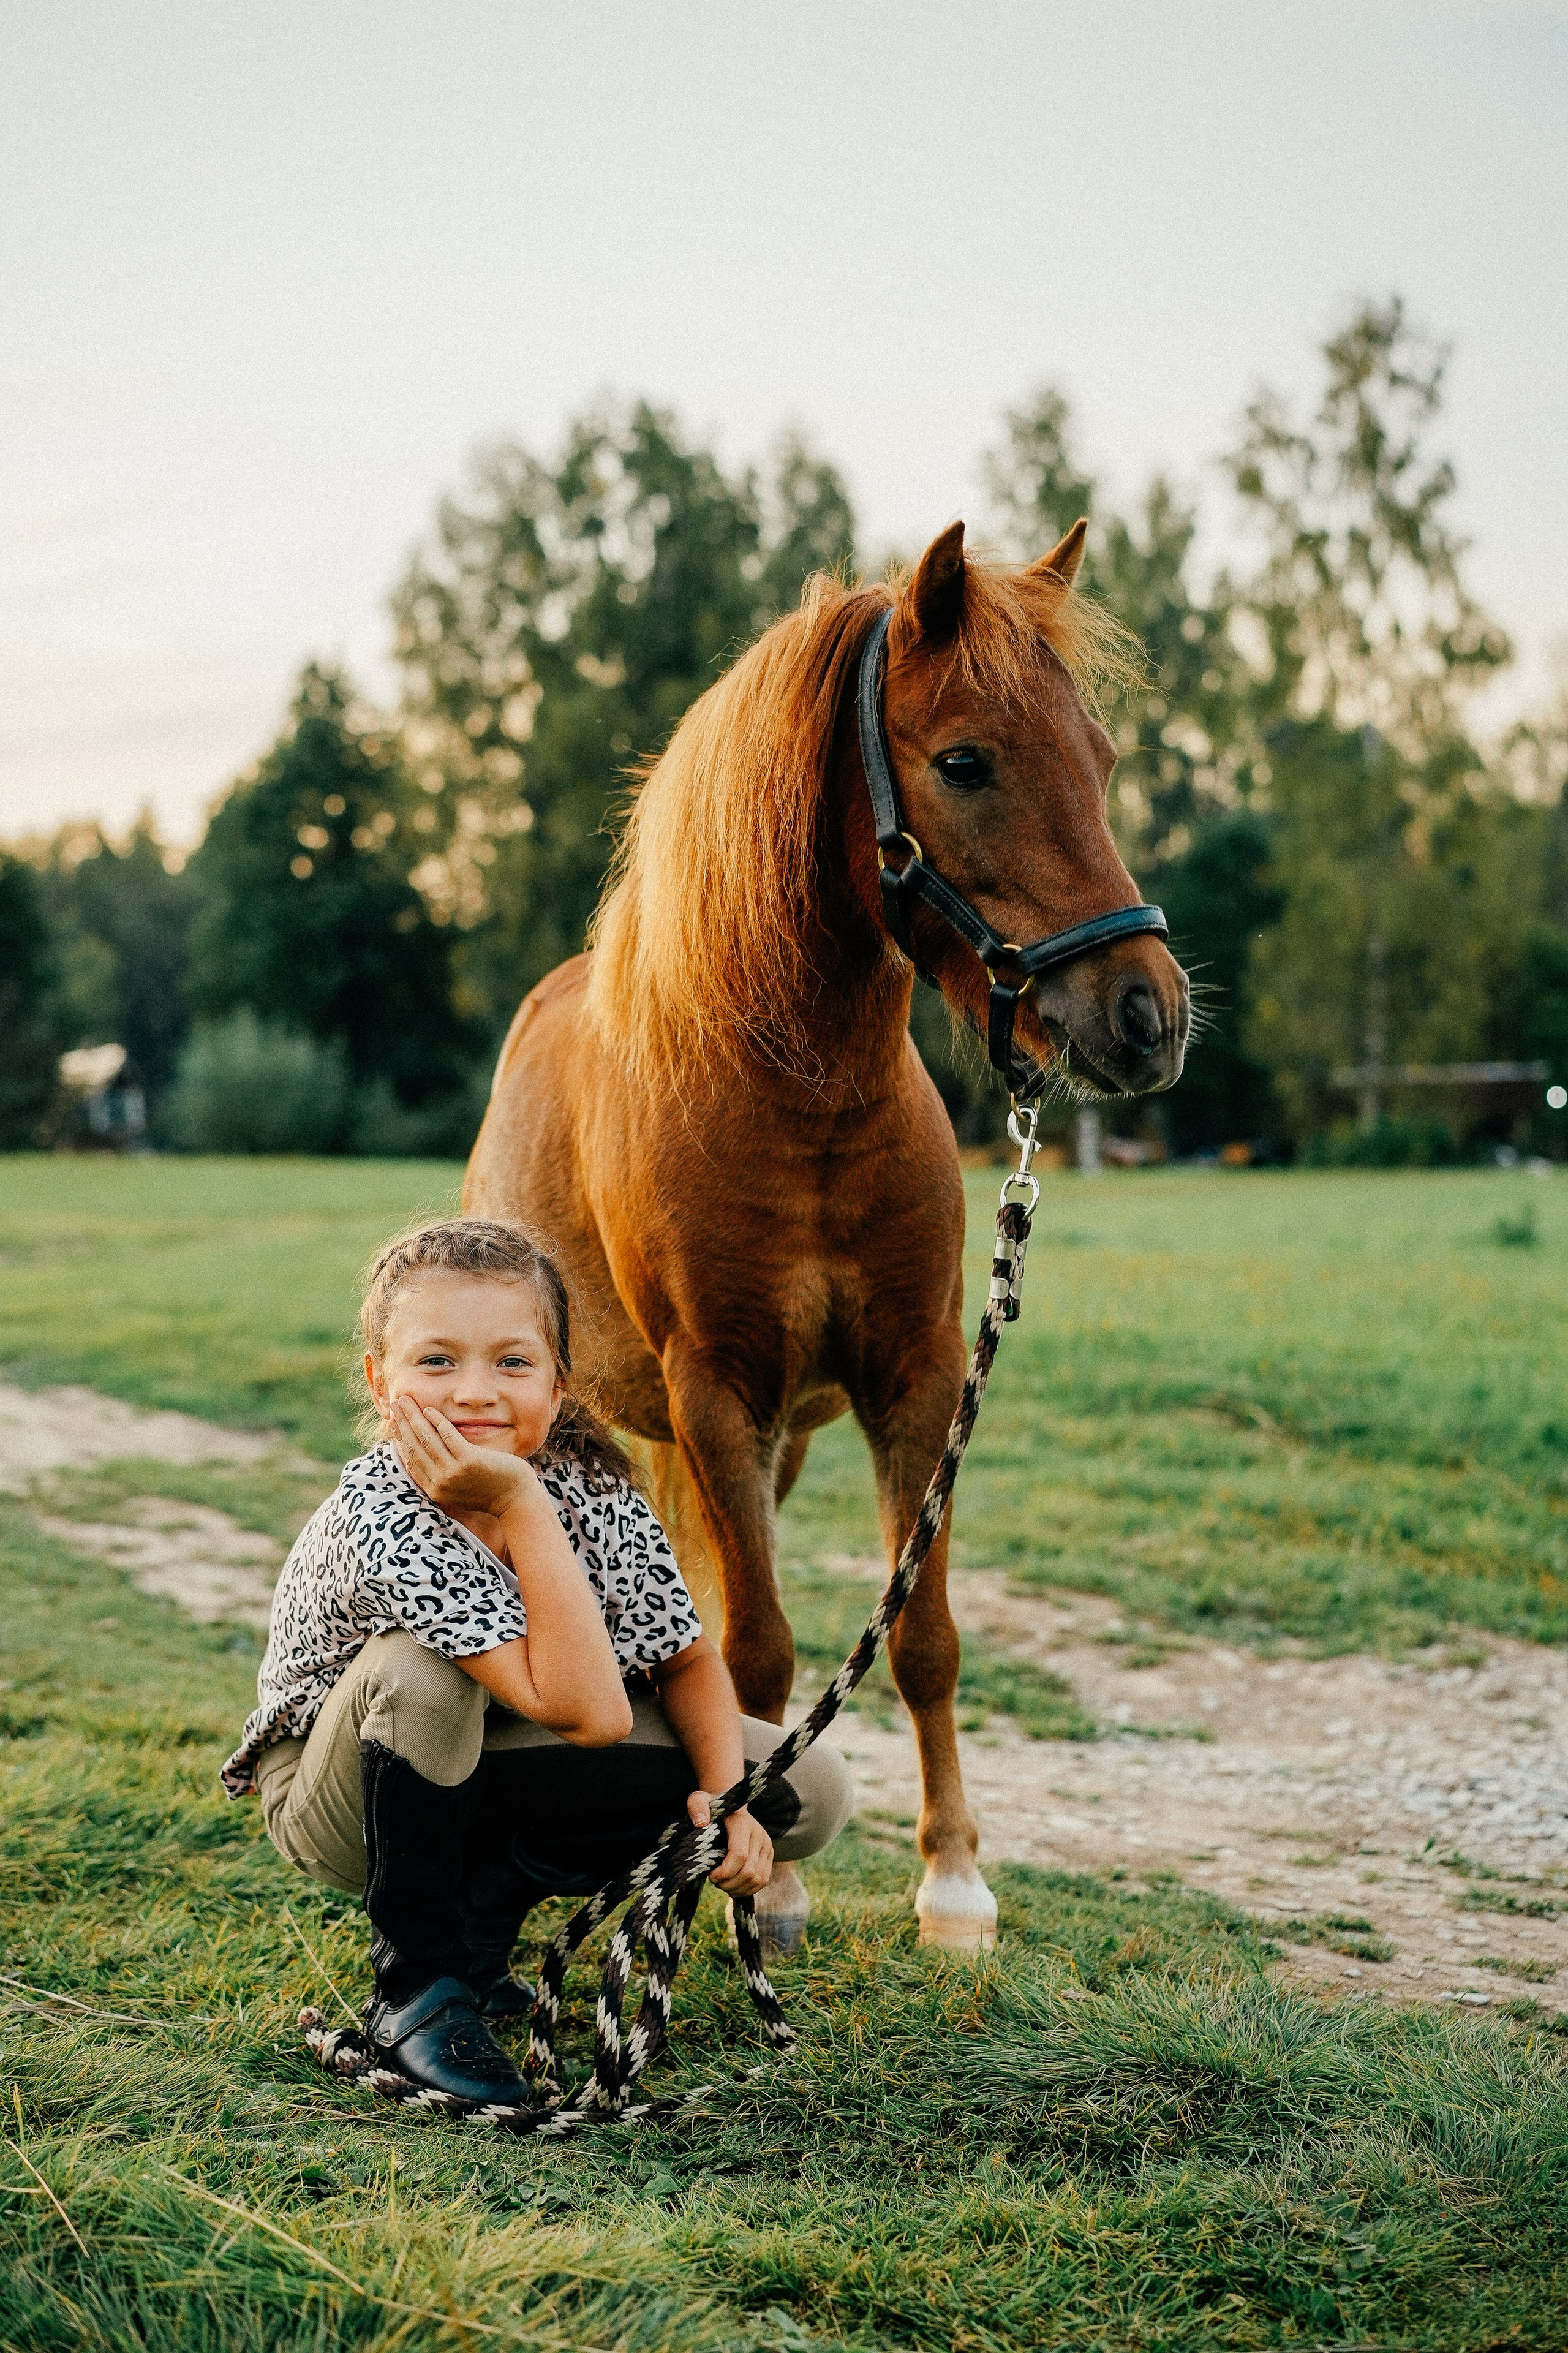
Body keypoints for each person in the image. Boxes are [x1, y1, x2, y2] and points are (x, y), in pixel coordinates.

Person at [221, 1217, 853, 2106]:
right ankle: (420, 1989)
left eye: (513, 1363)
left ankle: (489, 1892)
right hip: (343, 1797)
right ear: (380, 1380)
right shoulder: (384, 1508)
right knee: (421, 1668)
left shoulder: (594, 1487)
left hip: (498, 1748)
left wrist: (725, 1793)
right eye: (436, 1362)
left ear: (558, 1387)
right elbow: (592, 1713)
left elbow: (684, 1658)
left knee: (808, 1787)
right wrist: (518, 1499)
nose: (475, 1391)